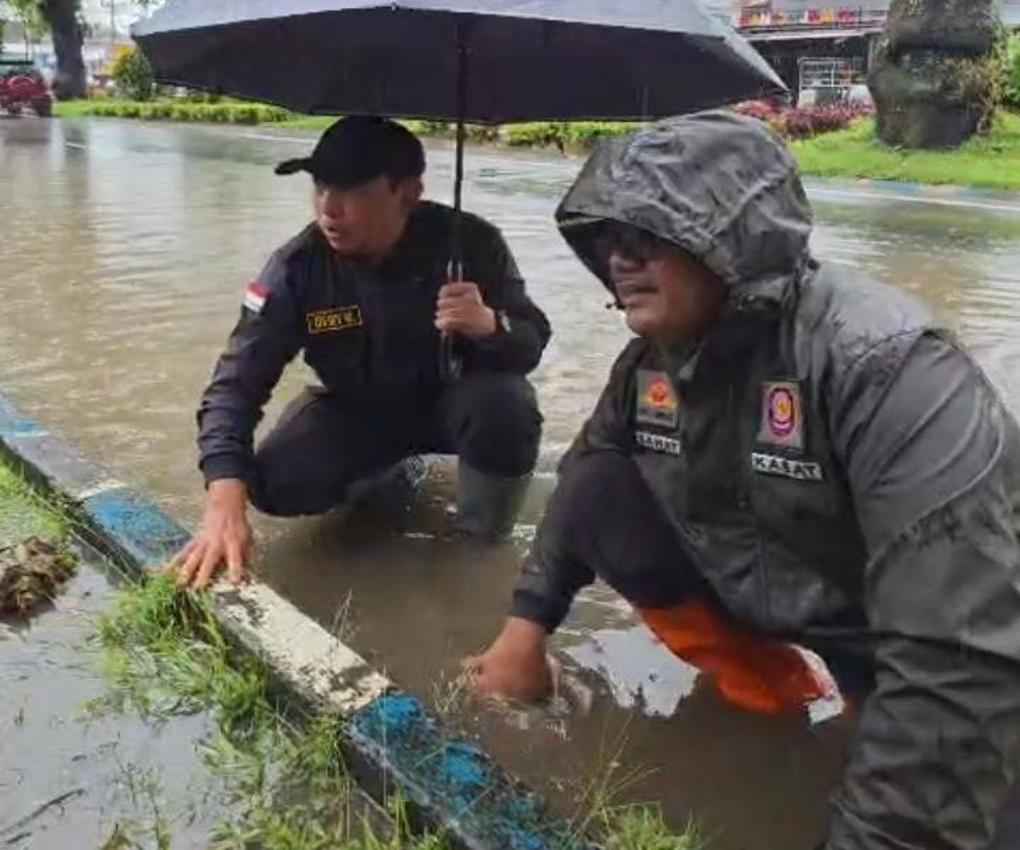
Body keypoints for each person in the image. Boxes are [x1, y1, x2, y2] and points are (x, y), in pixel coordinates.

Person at [467, 111, 1020, 849]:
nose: (620, 258)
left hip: (924, 632)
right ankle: (767, 685)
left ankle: (862, 707)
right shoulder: (649, 364)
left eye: (649, 234)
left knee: (959, 797)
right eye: (608, 238)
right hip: (771, 595)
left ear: (732, 242)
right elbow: (583, 483)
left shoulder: (891, 372)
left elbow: (956, 659)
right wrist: (524, 632)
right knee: (596, 482)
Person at [172, 116, 551, 590]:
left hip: (456, 406)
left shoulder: (472, 244)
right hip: (360, 410)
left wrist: (490, 326)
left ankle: (480, 545)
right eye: (320, 187)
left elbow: (532, 340)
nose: (329, 209)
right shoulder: (295, 269)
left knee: (507, 404)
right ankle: (386, 482)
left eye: (352, 192)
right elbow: (234, 387)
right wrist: (223, 504)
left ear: (407, 193)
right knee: (271, 482)